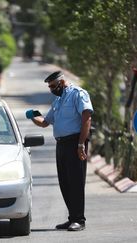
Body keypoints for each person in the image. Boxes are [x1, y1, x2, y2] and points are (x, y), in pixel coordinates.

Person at [26, 71, 93, 231]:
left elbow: (87, 118)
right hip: (61, 144)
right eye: (49, 87)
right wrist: (33, 115)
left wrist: (81, 144)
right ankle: (72, 218)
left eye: (52, 86)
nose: (51, 89)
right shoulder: (58, 100)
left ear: (62, 83)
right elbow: (45, 122)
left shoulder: (78, 94)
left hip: (75, 142)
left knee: (76, 182)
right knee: (65, 182)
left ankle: (79, 220)